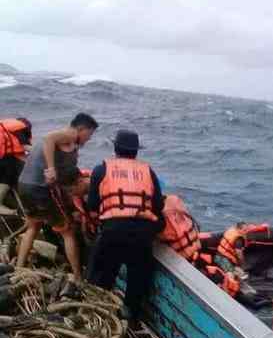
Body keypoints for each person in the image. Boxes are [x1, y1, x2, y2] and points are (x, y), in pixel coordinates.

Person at [86, 129, 164, 325]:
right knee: (137, 281)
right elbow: (158, 206)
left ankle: (98, 317)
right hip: (143, 235)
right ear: (136, 151)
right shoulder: (148, 171)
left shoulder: (101, 169)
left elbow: (93, 205)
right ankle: (131, 320)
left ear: (115, 148)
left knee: (102, 276)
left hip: (113, 232)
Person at [16, 113, 99, 280]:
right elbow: (48, 139)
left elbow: (66, 170)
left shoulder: (68, 143)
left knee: (33, 226)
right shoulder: (70, 134)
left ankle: (19, 268)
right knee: (67, 231)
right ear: (81, 129)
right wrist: (51, 169)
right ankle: (78, 277)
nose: (88, 139)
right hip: (39, 189)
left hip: (24, 185)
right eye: (89, 135)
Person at [0, 117, 32, 214]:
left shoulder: (5, 128)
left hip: (3, 158)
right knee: (10, 171)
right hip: (5, 162)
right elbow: (26, 147)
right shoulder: (20, 129)